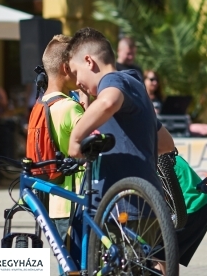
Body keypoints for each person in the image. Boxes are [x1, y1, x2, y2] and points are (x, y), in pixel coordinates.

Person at [65, 28, 175, 202]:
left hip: (121, 207)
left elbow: (108, 102)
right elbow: (166, 142)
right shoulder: (135, 85)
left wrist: (76, 138)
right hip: (145, 202)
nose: (77, 82)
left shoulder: (112, 80)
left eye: (76, 72)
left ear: (89, 61)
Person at [33, 35, 86, 239]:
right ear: (66, 68)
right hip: (75, 202)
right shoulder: (70, 108)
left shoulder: (41, 104)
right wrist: (86, 100)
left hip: (53, 203)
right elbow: (95, 144)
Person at [172, 155, 207, 268]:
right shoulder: (172, 157)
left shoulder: (157, 161)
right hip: (205, 204)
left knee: (159, 254)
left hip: (191, 208)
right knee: (168, 255)